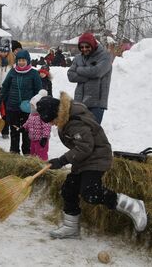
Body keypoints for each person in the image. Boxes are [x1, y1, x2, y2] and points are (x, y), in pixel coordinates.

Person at [36, 93, 147, 239]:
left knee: (90, 192)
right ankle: (71, 228)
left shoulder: (74, 121)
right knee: (68, 190)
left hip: (96, 157)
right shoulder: (66, 116)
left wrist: (62, 160)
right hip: (84, 160)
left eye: (51, 121)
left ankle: (133, 206)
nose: (51, 124)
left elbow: (85, 148)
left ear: (57, 113)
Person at [0, 49, 42, 155]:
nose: (21, 62)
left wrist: (38, 105)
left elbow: (39, 91)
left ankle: (27, 151)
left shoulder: (34, 73)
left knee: (27, 131)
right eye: (19, 60)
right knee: (14, 130)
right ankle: (14, 151)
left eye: (23, 60)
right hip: (12, 107)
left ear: (28, 60)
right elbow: (5, 87)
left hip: (27, 108)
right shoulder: (12, 72)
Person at [67, 33, 113, 124]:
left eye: (87, 46)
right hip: (79, 101)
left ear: (92, 44)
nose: (84, 49)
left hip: (96, 103)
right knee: (80, 131)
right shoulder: (78, 58)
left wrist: (79, 69)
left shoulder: (105, 57)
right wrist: (87, 78)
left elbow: (97, 72)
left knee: (92, 131)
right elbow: (70, 75)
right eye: (82, 47)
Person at [22, 90, 50, 161]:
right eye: (31, 105)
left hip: (41, 141)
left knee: (41, 155)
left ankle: (43, 166)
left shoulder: (43, 116)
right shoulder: (31, 115)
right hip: (32, 139)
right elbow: (28, 122)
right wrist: (23, 127)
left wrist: (44, 138)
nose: (31, 108)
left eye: (33, 106)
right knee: (33, 154)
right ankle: (33, 166)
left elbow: (47, 127)